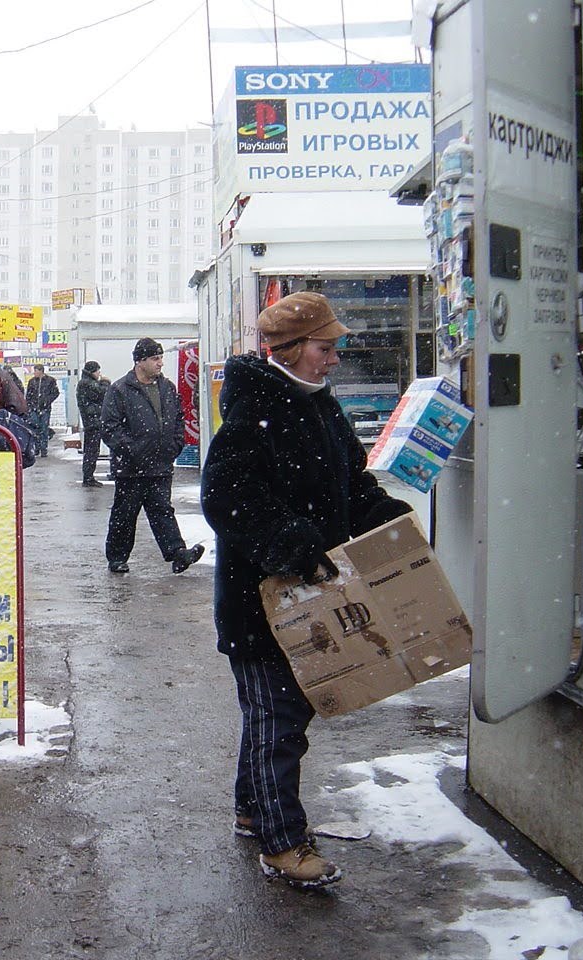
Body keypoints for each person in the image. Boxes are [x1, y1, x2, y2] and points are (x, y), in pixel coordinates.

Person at [200, 291, 412, 889]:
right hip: (261, 603)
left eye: (335, 347)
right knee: (280, 719)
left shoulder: (318, 404)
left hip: (310, 595)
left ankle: (253, 809)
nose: (334, 359)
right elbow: (226, 498)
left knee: (273, 716)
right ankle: (282, 842)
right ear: (290, 351)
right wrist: (289, 542)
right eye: (326, 348)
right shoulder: (254, 409)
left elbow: (351, 480)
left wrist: (384, 518)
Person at [101, 338, 205, 575]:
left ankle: (178, 553)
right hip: (132, 466)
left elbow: (179, 418)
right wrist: (133, 450)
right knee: (125, 513)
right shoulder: (120, 389)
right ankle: (117, 557)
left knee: (162, 511)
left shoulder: (167, 387)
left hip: (161, 463)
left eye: (161, 358)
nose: (160, 363)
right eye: (155, 358)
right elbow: (110, 428)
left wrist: (175, 445)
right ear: (140, 361)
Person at [76, 361, 107, 487]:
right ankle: (88, 477)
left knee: (92, 450)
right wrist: (105, 382)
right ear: (92, 371)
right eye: (97, 371)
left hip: (91, 421)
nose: (99, 373)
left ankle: (89, 476)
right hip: (92, 422)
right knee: (92, 451)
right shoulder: (87, 383)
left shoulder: (86, 382)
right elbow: (102, 393)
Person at [24, 363, 59, 458]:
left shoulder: (50, 381)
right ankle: (36, 447)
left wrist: (47, 401)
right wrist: (30, 405)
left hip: (45, 409)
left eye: (35, 371)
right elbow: (28, 395)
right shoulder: (32, 382)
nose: (34, 373)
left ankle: (43, 448)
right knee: (35, 427)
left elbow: (55, 393)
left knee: (44, 427)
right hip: (34, 408)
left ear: (41, 371)